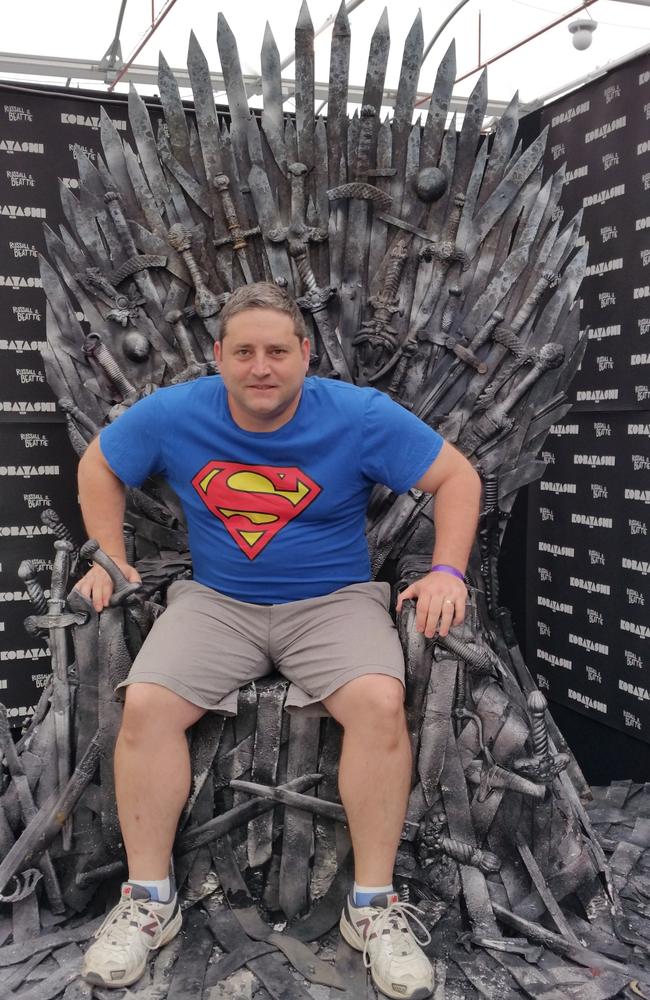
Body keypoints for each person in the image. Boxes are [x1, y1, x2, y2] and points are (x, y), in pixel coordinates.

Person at [75, 282, 480, 1000]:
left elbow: (455, 476)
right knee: (145, 708)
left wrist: (448, 569)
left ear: (305, 354)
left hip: (332, 604)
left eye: (276, 351)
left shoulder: (356, 415)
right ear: (218, 358)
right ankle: (147, 900)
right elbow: (100, 463)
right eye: (244, 352)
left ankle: (374, 908)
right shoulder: (176, 413)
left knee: (381, 705)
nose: (261, 367)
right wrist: (109, 554)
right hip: (218, 603)